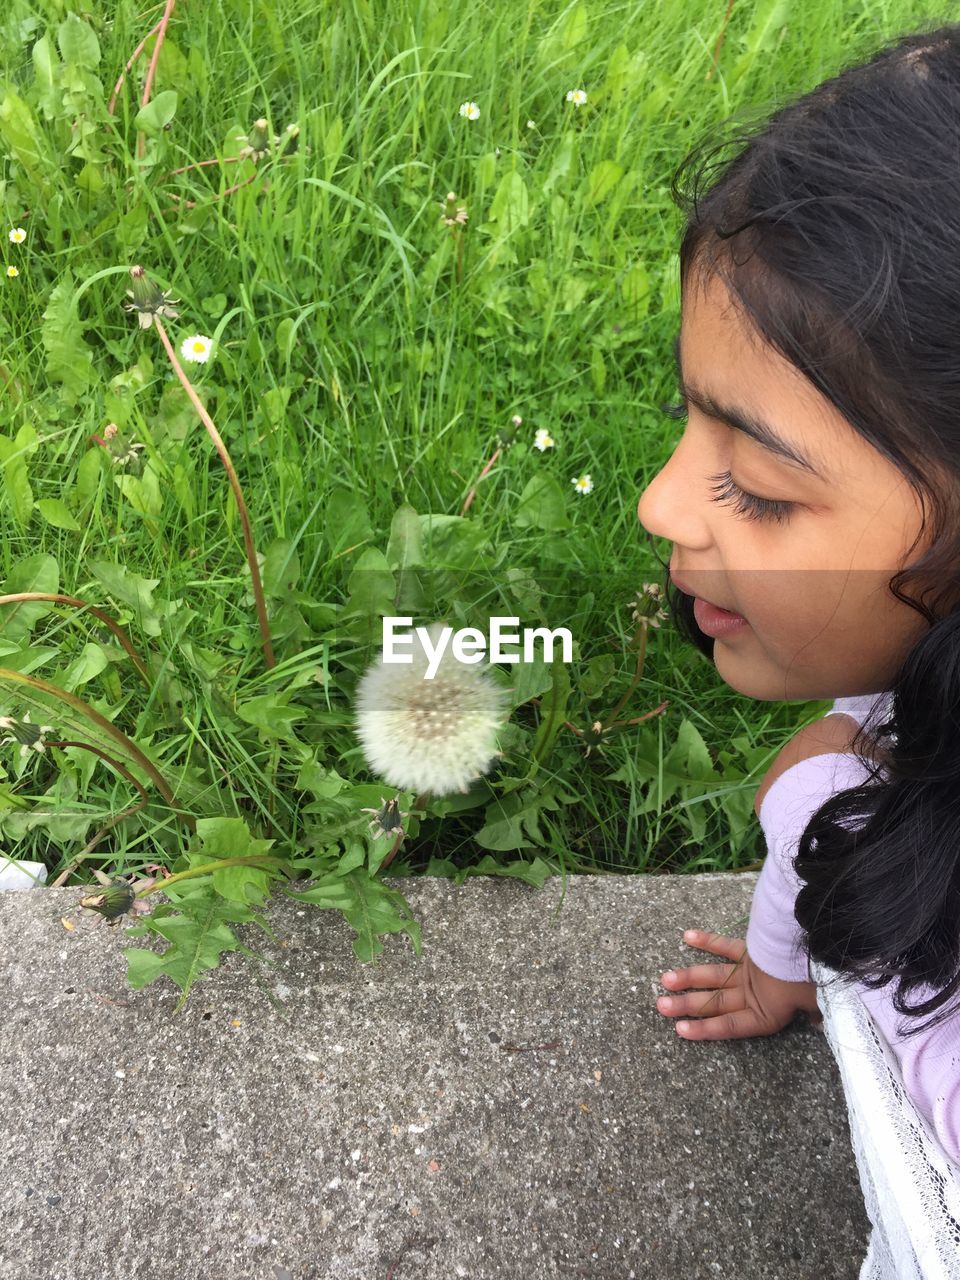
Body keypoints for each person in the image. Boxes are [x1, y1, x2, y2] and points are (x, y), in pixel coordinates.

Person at [635, 23, 960, 1168]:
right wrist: (787, 970)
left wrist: (823, 796)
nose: (660, 507)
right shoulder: (851, 765)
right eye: (690, 418)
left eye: (762, 491)